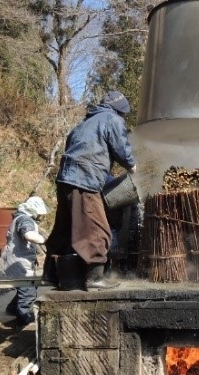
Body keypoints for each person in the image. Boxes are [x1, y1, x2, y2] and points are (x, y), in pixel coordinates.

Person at [43, 90, 136, 290]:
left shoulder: (83, 124)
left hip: (65, 179)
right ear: (120, 110)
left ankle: (50, 273)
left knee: (65, 227)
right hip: (86, 179)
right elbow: (122, 147)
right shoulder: (112, 119)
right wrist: (132, 165)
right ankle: (94, 277)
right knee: (97, 228)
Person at [2, 196, 48, 325]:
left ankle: (12, 309)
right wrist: (44, 240)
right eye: (39, 214)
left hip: (16, 260)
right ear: (33, 210)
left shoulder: (20, 217)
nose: (40, 216)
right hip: (18, 261)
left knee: (24, 286)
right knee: (28, 291)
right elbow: (28, 235)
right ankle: (22, 317)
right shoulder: (24, 220)